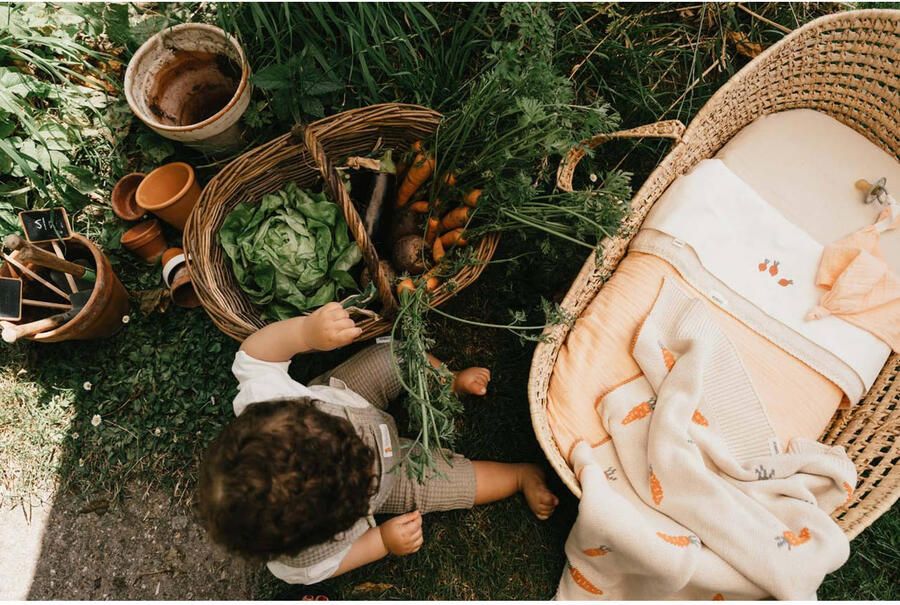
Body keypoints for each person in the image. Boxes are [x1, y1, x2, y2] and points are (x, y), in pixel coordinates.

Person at [197, 302, 559, 584]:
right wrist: (384, 541)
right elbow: (342, 559)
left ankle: (446, 382)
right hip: (391, 479)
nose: (363, 449)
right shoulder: (301, 564)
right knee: (447, 484)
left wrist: (306, 332)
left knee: (395, 357)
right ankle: (519, 476)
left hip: (351, 395)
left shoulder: (264, 401)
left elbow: (255, 355)